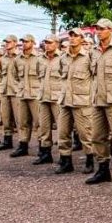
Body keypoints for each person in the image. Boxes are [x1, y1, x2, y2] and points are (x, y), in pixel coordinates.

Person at [86, 19, 112, 185]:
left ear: (110, 30)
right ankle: (103, 169)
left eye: (102, 29)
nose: (98, 31)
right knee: (97, 136)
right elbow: (92, 73)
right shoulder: (94, 51)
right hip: (98, 99)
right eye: (97, 28)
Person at [54, 28, 95, 174]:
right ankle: (66, 162)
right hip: (65, 100)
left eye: (75, 36)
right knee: (63, 133)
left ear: (82, 39)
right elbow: (61, 74)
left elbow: (94, 77)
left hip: (82, 101)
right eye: (70, 35)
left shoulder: (88, 57)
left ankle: (90, 160)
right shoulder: (63, 57)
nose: (72, 38)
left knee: (86, 134)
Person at [10, 34, 41, 158]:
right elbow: (15, 75)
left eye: (26, 41)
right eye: (22, 41)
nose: (24, 44)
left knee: (39, 123)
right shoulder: (18, 59)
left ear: (33, 43)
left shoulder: (39, 58)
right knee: (22, 122)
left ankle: (42, 147)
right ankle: (23, 146)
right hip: (22, 94)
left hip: (35, 94)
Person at [33, 34, 62, 165]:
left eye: (50, 42)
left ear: (57, 43)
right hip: (44, 97)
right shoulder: (40, 59)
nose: (47, 45)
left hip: (57, 98)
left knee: (62, 128)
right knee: (44, 127)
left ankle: (64, 156)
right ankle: (46, 154)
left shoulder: (62, 58)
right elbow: (39, 76)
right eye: (45, 42)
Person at [0, 35, 20, 151]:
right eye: (5, 42)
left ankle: (22, 143)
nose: (7, 44)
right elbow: (0, 74)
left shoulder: (20, 57)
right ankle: (7, 141)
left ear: (15, 43)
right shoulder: (2, 59)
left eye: (9, 42)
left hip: (16, 92)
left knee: (19, 120)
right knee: (5, 118)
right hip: (5, 91)